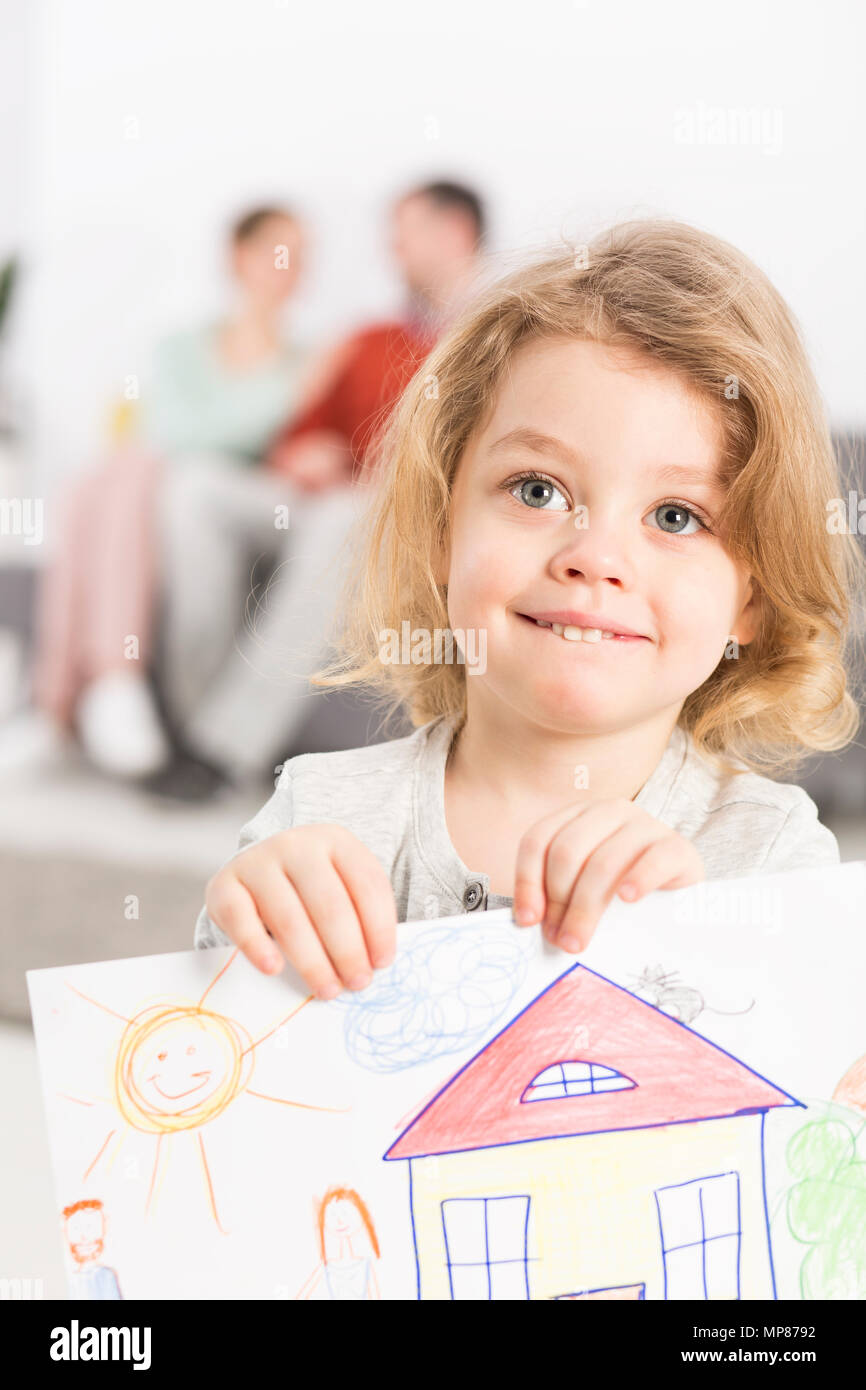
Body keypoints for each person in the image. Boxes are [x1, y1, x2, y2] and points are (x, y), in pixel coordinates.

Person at [191, 219, 863, 996]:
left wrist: (704, 954)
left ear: (752, 598)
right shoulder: (319, 812)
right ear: (441, 529)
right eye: (538, 490)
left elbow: (820, 1099)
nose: (596, 557)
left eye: (676, 515)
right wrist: (243, 934)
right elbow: (202, 1065)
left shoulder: (769, 856)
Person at [153, 180, 487, 797]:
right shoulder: (369, 339)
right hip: (320, 504)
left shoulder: (500, 341)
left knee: (346, 514)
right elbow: (301, 434)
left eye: (404, 237)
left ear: (456, 233)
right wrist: (303, 453)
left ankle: (223, 750)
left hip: (399, 519)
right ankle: (193, 724)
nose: (393, 253)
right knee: (195, 488)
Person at [25, 205, 309, 783]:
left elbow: (233, 447)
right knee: (104, 481)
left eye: (302, 256)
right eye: (277, 249)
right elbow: (177, 432)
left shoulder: (309, 357)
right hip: (163, 489)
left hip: (236, 500)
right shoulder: (183, 346)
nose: (291, 267)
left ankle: (70, 698)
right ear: (237, 256)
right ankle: (107, 681)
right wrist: (281, 402)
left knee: (123, 476)